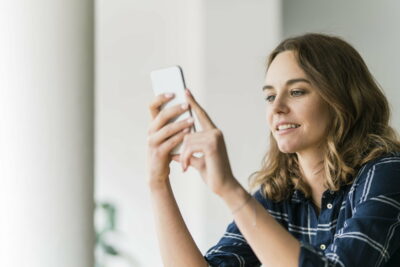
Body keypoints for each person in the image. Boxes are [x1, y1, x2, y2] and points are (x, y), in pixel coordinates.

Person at [146, 33, 400, 266]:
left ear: (342, 100)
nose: (277, 107)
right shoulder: (280, 194)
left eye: (296, 92)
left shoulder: (387, 173)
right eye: (269, 96)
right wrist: (158, 183)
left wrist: (229, 189)